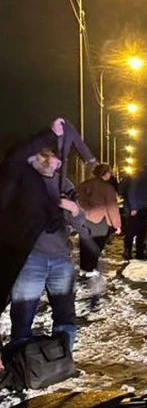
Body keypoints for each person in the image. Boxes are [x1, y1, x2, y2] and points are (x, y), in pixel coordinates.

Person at [5, 148, 84, 349]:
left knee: (65, 315)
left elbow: (80, 221)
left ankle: (63, 359)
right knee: (23, 316)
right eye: (43, 156)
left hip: (61, 259)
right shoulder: (20, 183)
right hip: (29, 260)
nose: (49, 161)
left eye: (53, 157)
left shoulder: (64, 185)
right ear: (32, 159)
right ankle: (21, 364)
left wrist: (74, 209)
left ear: (60, 161)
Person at [76, 163, 122, 278]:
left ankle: (84, 268)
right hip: (100, 220)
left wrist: (85, 211)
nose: (110, 175)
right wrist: (117, 225)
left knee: (84, 243)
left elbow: (77, 199)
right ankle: (90, 268)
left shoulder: (84, 185)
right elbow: (112, 207)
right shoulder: (107, 188)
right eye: (110, 172)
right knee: (96, 244)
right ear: (105, 173)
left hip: (85, 219)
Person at [120, 161, 147, 261]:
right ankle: (128, 252)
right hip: (136, 208)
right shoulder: (143, 177)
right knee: (132, 230)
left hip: (142, 208)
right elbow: (132, 191)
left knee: (141, 230)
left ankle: (138, 253)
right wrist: (134, 207)